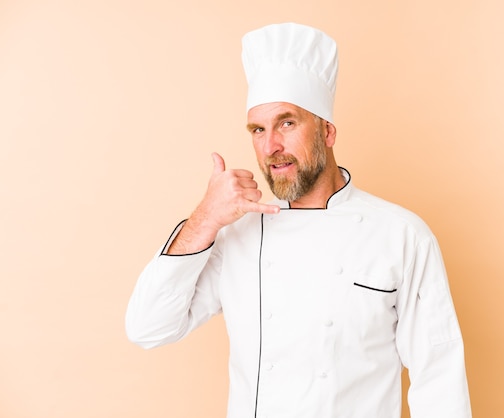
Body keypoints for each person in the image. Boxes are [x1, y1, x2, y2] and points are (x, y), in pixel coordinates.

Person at [126, 22, 472, 418]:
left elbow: (439, 379)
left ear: (327, 131)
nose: (271, 146)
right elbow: (148, 327)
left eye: (287, 123)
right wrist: (205, 218)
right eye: (258, 129)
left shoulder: (401, 235)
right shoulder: (236, 236)